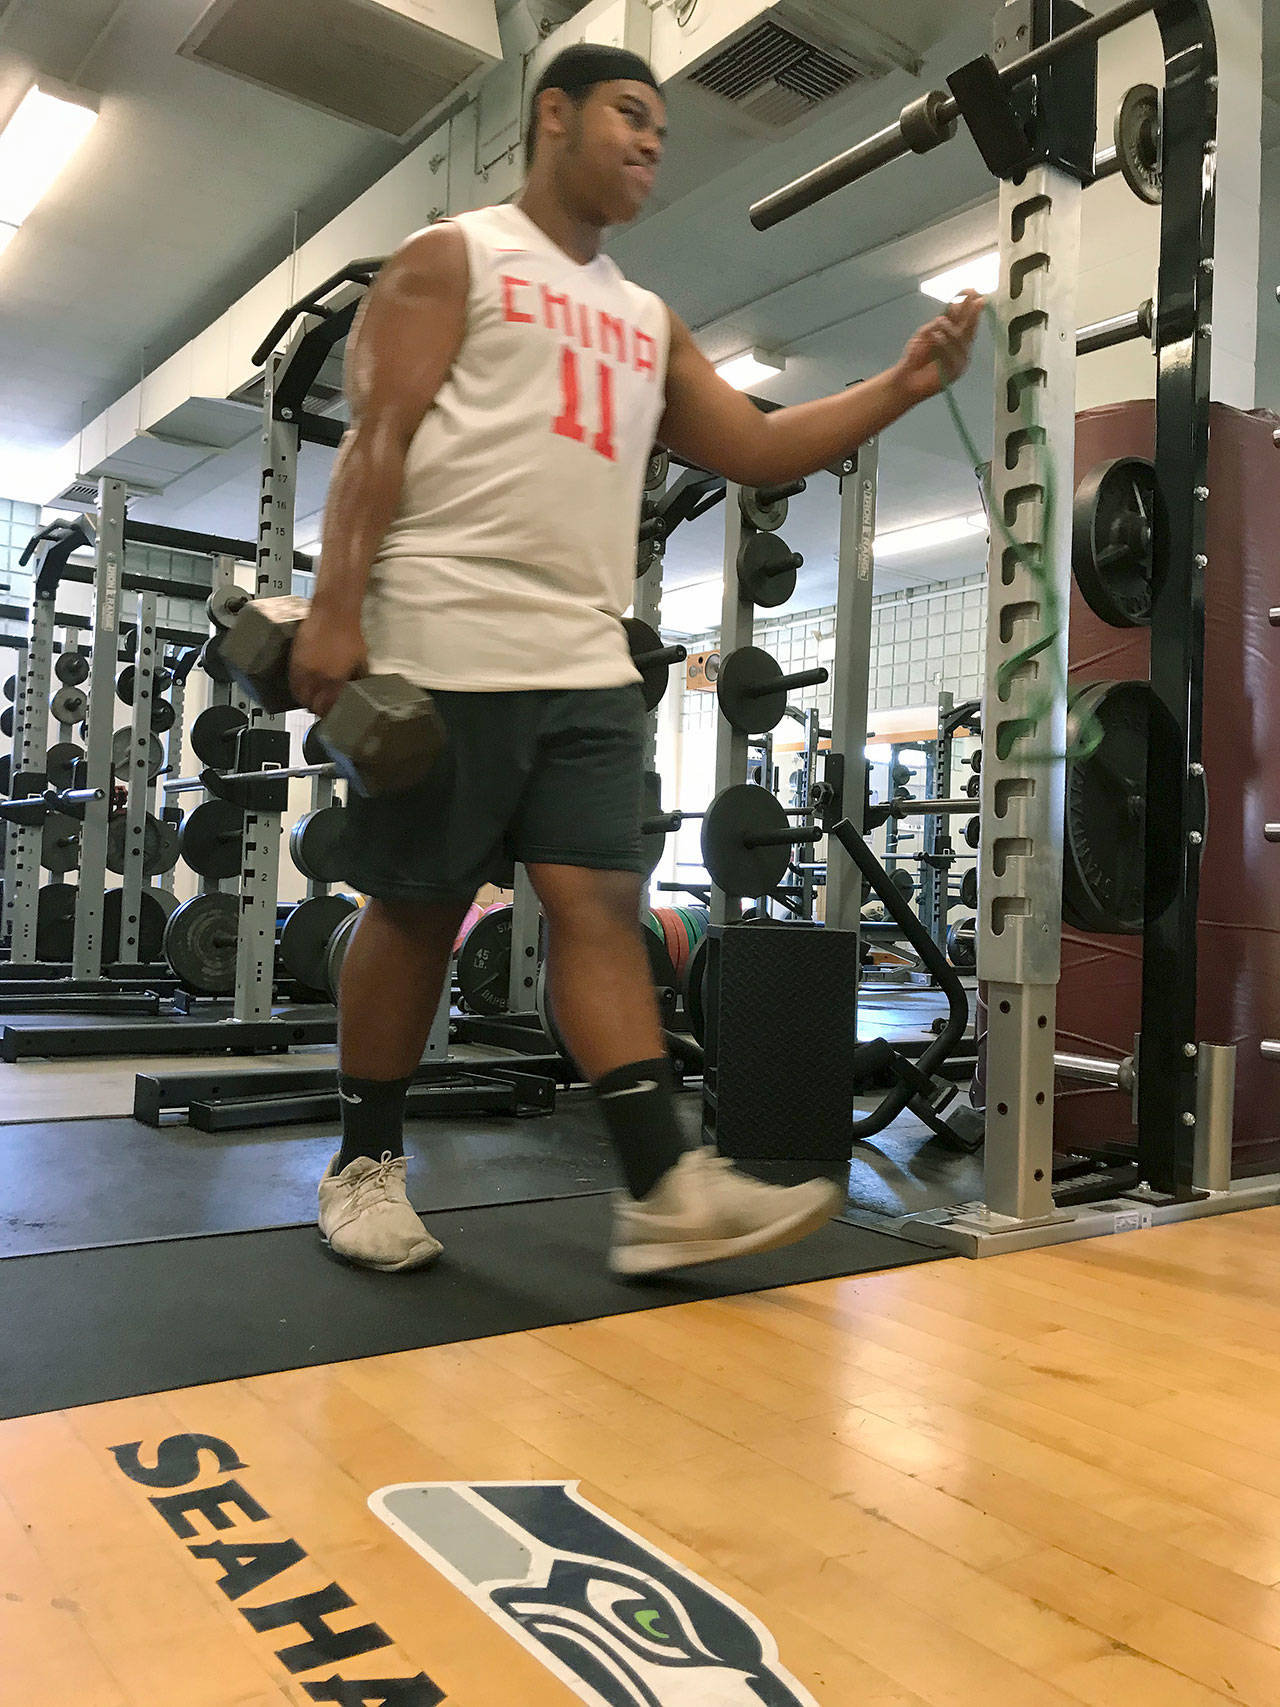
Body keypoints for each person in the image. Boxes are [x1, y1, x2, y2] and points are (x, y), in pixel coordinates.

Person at [290, 43, 982, 1278]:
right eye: (629, 114)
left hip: (583, 658)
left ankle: (661, 1191)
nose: (652, 141)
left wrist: (899, 383)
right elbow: (375, 441)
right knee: (415, 907)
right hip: (443, 638)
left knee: (601, 910)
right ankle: (363, 1164)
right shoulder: (455, 258)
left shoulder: (642, 318)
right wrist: (337, 611)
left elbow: (754, 449)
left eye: (661, 126)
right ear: (551, 117)